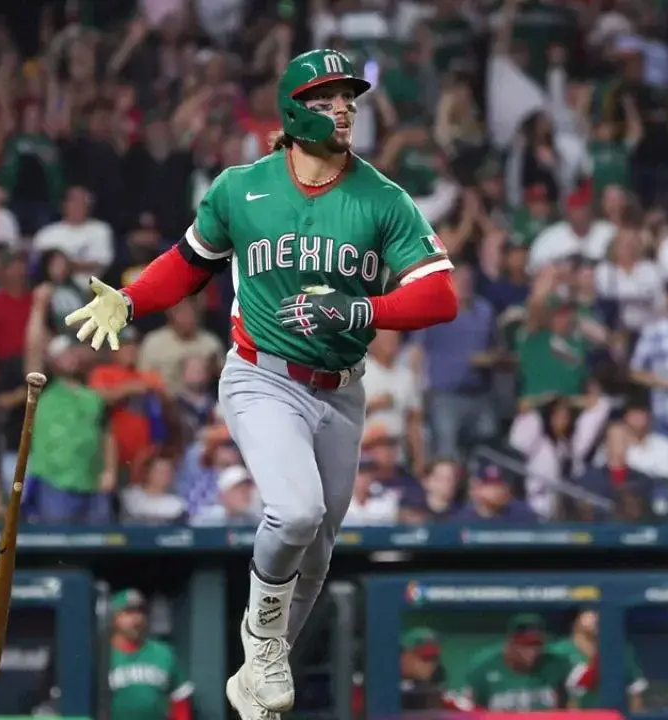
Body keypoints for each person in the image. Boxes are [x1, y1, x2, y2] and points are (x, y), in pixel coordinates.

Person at [63, 49, 458, 720]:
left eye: (349, 99)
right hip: (262, 375)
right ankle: (263, 642)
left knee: (320, 547)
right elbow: (189, 263)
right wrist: (131, 301)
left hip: (341, 388)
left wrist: (361, 308)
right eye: (328, 98)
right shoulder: (240, 188)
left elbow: (440, 295)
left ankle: (255, 669)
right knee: (296, 511)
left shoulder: (381, 197)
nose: (345, 109)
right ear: (294, 110)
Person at [107, 589, 194, 720]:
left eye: (140, 612)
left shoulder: (163, 653)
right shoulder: (101, 655)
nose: (136, 619)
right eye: (128, 612)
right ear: (114, 617)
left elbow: (180, 699)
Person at [455, 614, 571, 710]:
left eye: (537, 644)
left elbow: (572, 707)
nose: (533, 651)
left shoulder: (557, 665)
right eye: (525, 645)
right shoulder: (483, 667)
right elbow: (469, 711)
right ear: (509, 645)